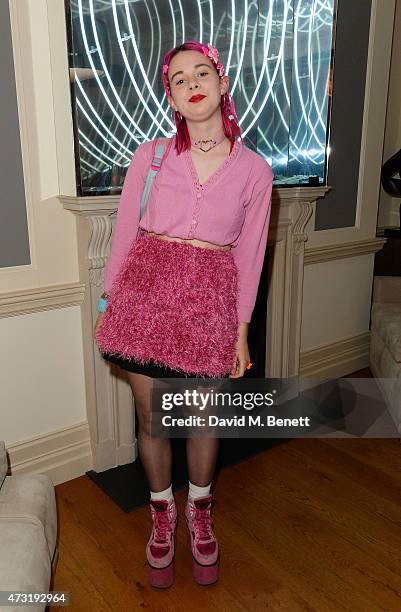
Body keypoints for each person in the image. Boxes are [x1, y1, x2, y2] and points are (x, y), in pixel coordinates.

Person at [94, 40, 274, 588]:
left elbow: (251, 255)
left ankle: (199, 509)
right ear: (171, 97)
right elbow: (125, 233)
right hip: (144, 296)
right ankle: (160, 514)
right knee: (153, 419)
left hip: (210, 304)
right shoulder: (148, 157)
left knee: (200, 419)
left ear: (222, 84)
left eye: (201, 73)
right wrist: (110, 303)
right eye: (177, 79)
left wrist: (241, 331)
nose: (191, 83)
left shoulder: (255, 171)